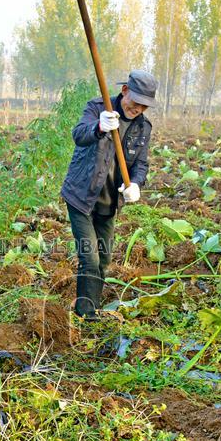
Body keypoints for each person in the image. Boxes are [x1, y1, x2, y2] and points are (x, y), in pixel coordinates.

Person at [61, 70, 156, 319]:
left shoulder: (143, 127)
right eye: (136, 102)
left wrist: (136, 183)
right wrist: (99, 126)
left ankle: (90, 306)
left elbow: (141, 163)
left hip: (109, 203)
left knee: (103, 259)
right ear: (125, 91)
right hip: (82, 197)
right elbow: (78, 135)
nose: (138, 109)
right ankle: (86, 313)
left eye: (144, 106)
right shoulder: (97, 107)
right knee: (89, 258)